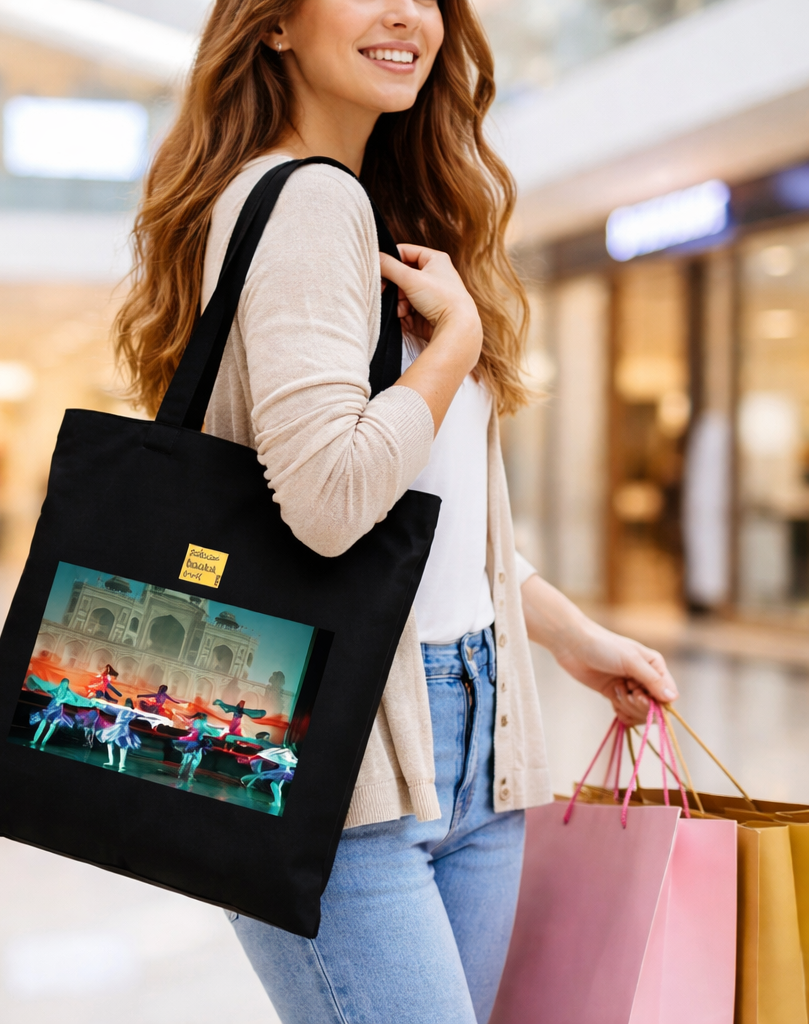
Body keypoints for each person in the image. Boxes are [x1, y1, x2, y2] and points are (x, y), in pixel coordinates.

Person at [115, 0, 679, 1020]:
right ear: (275, 25)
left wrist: (567, 633)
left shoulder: (382, 213)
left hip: (476, 724)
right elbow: (331, 502)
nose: (404, 14)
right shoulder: (307, 206)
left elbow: (436, 519)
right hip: (341, 745)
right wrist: (455, 346)